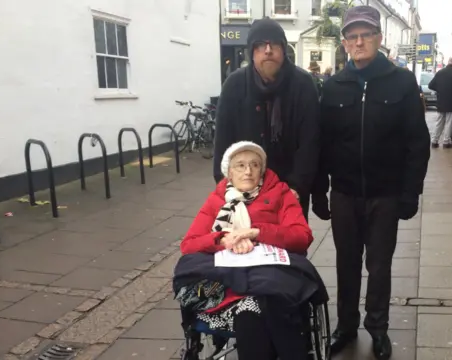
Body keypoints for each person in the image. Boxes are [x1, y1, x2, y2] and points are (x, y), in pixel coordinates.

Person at [311, 5, 430, 360]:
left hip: (385, 194)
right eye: (353, 36)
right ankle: (346, 326)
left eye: (366, 35)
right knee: (346, 263)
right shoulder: (333, 86)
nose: (359, 41)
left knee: (379, 266)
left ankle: (377, 328)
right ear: (345, 42)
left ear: (379, 38)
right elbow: (322, 143)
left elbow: (417, 142)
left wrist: (410, 193)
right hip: (345, 194)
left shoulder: (401, 82)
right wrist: (320, 191)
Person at [180, 141, 314, 360]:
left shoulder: (281, 194)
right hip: (226, 285)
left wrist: (257, 232)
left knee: (255, 311)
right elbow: (189, 244)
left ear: (262, 170)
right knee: (253, 313)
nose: (248, 171)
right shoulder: (216, 200)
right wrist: (223, 238)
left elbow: (301, 237)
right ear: (229, 173)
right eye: (240, 165)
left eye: (254, 164)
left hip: (271, 277)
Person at [213, 17, 320, 219]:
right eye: (261, 45)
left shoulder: (303, 85)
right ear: (252, 51)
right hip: (244, 190)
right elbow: (223, 142)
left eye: (274, 44)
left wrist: (297, 186)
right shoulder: (234, 85)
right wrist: (225, 185)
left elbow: (310, 142)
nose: (268, 50)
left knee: (291, 247)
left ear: (283, 49)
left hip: (289, 191)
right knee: (245, 246)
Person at [428, 56, 452, 148]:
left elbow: (430, 85)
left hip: (441, 101)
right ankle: (446, 141)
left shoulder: (440, 72)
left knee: (439, 121)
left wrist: (440, 90)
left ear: (448, 62)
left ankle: (434, 140)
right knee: (449, 122)